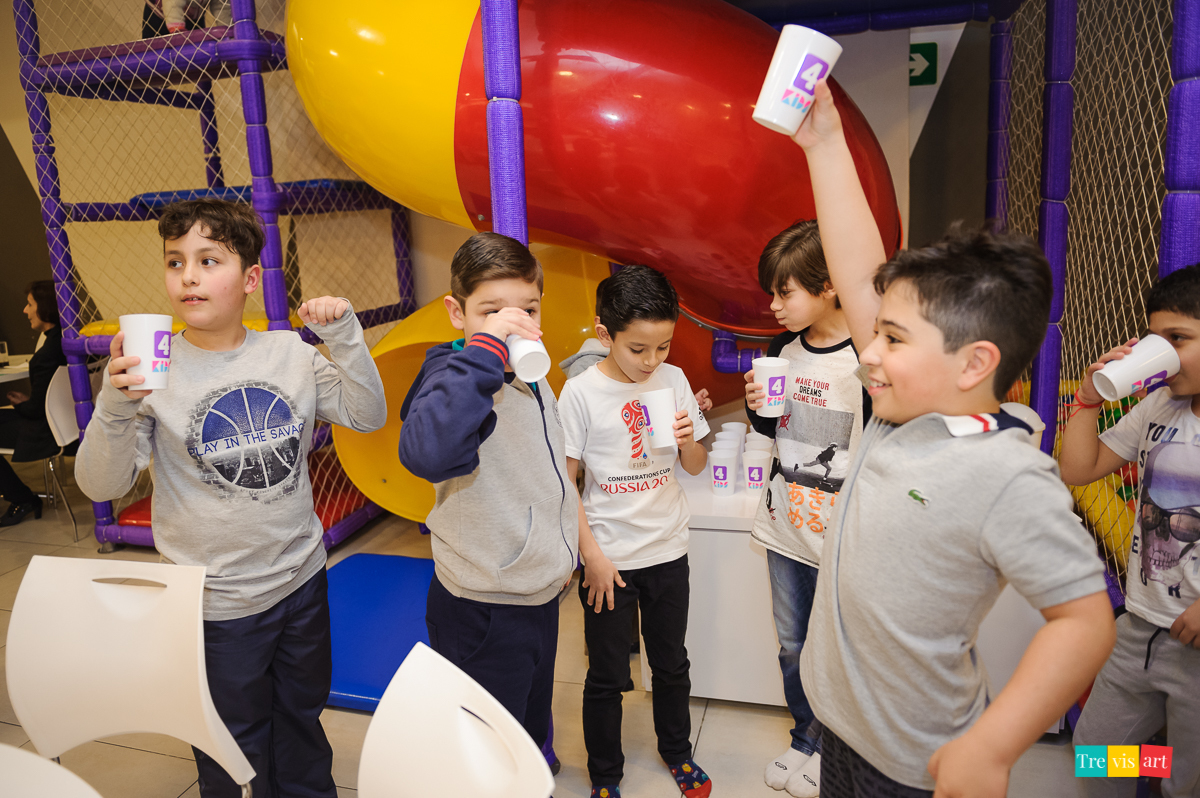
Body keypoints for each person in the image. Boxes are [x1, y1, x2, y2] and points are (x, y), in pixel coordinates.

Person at [794, 80, 1116, 797]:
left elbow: (1085, 620)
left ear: (975, 364)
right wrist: (823, 142)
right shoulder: (897, 407)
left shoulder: (1006, 475)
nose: (868, 349)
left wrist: (993, 747)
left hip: (914, 763)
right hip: (841, 727)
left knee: (1146, 762)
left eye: (893, 336)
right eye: (874, 330)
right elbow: (856, 272)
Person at [76, 198, 386, 798]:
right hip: (215, 604)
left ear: (248, 280)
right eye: (175, 261)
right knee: (229, 740)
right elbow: (101, 486)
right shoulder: (152, 369)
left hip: (300, 580)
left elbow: (367, 414)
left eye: (208, 259)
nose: (187, 275)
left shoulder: (288, 354)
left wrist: (344, 336)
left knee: (300, 718)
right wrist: (114, 403)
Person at [397, 231, 579, 764]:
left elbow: (544, 470)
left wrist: (565, 546)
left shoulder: (531, 374)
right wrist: (485, 352)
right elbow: (428, 451)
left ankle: (533, 764)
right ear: (458, 313)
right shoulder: (451, 376)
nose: (512, 324)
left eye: (527, 309)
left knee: (527, 717)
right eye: (492, 311)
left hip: (537, 591)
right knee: (485, 743)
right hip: (484, 603)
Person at [742, 178, 881, 797]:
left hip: (843, 534)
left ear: (829, 288)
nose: (774, 304)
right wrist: (757, 411)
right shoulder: (782, 348)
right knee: (794, 643)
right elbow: (775, 429)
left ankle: (835, 745)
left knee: (840, 648)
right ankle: (806, 737)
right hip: (783, 524)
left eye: (785, 291)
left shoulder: (869, 356)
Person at [558, 265, 712, 798]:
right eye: (638, 349)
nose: (653, 362)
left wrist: (691, 438)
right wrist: (591, 558)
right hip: (609, 559)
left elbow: (693, 465)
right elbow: (566, 485)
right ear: (605, 335)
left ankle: (677, 751)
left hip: (668, 548)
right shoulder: (578, 394)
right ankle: (605, 775)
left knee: (671, 663)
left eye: (664, 347)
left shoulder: (674, 380)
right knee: (606, 675)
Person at [1059, 263, 1200, 798]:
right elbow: (1079, 468)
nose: (1162, 352)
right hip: (1141, 629)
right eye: (1155, 339)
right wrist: (1089, 403)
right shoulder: (1162, 404)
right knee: (1098, 753)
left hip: (1195, 641)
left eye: (1178, 339)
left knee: (1186, 779)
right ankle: (1154, 764)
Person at [0, 280, 67, 527]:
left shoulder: (47, 354)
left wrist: (21, 405)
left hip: (46, 431)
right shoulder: (67, 341)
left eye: (30, 304)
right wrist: (28, 402)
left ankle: (22, 499)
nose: (25, 311)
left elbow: (35, 411)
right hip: (66, 423)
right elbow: (44, 401)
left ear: (45, 307)